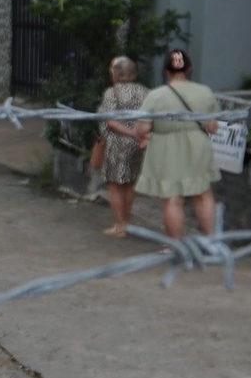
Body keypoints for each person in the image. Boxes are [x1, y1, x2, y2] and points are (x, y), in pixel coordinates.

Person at [135, 48, 221, 240]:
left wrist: (145, 135)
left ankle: (175, 245)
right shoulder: (205, 92)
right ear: (189, 68)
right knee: (203, 194)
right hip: (198, 144)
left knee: (173, 198)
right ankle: (212, 241)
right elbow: (213, 127)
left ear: (165, 71)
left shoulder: (155, 95)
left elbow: (142, 128)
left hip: (166, 146)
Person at [95, 56, 149, 237]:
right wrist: (139, 134)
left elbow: (110, 122)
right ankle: (125, 223)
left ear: (115, 75)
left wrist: (130, 132)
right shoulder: (145, 92)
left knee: (115, 184)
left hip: (117, 143)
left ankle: (120, 226)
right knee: (129, 183)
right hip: (138, 143)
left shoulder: (112, 92)